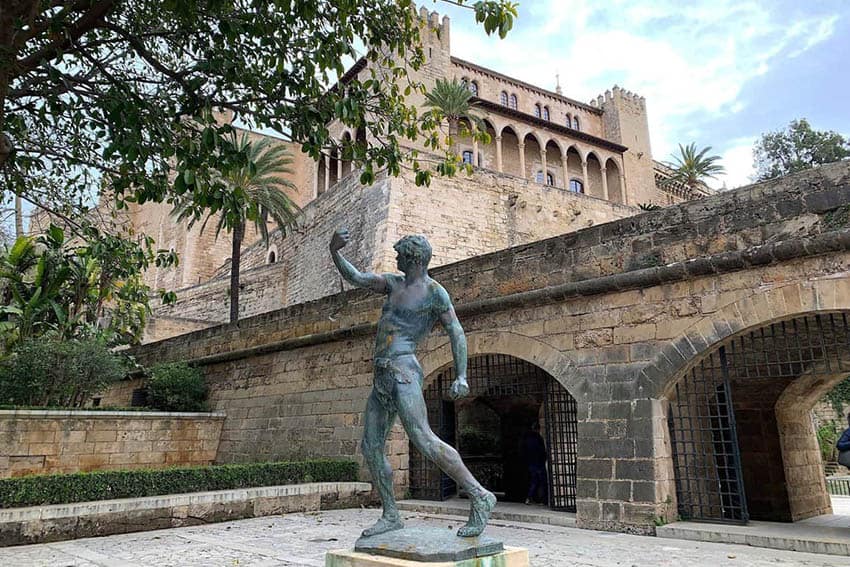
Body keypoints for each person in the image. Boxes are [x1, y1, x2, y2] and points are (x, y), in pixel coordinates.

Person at [329, 228, 496, 538]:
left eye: (400, 255)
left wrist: (461, 374)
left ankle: (480, 495)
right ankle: (391, 514)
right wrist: (335, 252)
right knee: (371, 446)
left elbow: (456, 331)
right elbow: (357, 277)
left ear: (413, 258)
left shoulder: (435, 293)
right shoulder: (392, 283)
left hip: (404, 370)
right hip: (381, 374)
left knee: (423, 438)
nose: (396, 259)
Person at [520, 421, 548, 505]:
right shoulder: (538, 438)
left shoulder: (526, 438)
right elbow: (542, 450)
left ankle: (530, 497)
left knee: (534, 481)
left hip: (531, 463)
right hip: (539, 463)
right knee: (542, 482)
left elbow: (523, 451)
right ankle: (543, 500)